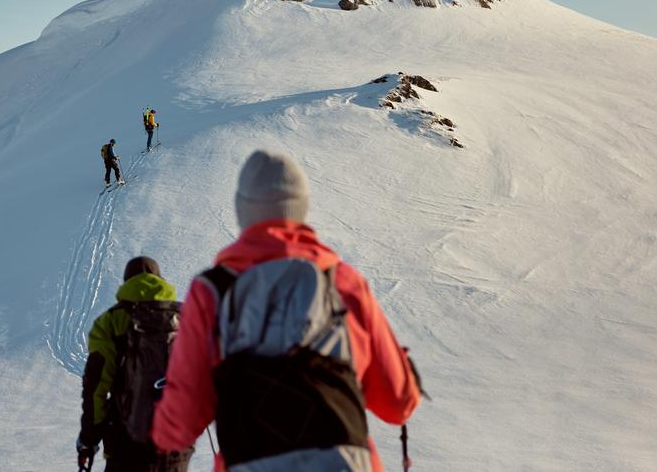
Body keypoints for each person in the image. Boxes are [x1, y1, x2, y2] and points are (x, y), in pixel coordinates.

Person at [151, 150, 421, 472]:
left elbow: (179, 426)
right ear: (302, 208)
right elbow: (397, 404)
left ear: (243, 210)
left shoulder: (212, 291)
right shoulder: (343, 282)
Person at [78, 256, 192, 472]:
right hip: (176, 444)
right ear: (160, 279)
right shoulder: (187, 318)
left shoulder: (110, 322)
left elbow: (96, 387)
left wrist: (89, 438)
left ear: (127, 282)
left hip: (126, 442)